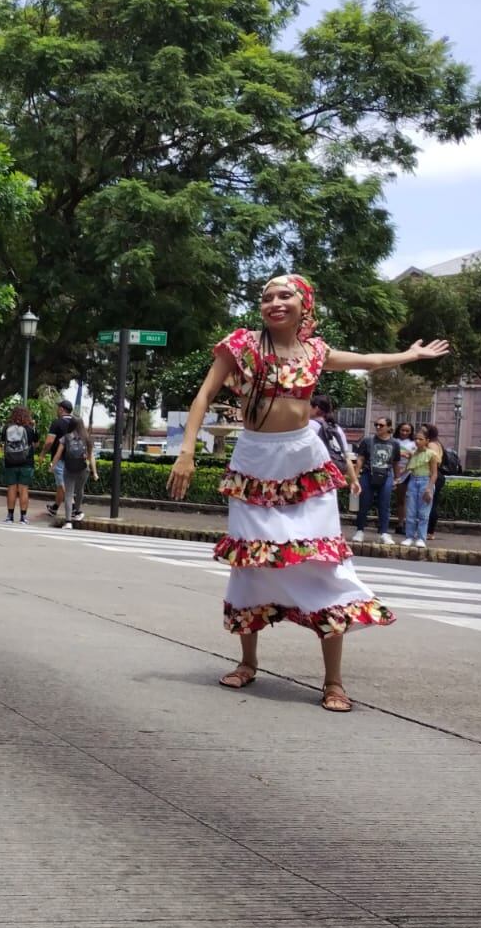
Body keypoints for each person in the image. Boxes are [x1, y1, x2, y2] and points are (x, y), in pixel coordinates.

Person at [169, 272, 448, 712]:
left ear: (304, 305)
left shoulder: (316, 352)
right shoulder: (240, 344)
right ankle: (247, 662)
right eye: (267, 297)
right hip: (253, 462)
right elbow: (203, 396)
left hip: (305, 464)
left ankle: (333, 681)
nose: (275, 302)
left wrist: (409, 355)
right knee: (251, 563)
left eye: (285, 295)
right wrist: (186, 451)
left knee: (324, 564)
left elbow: (370, 360)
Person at [351, 417, 399, 545]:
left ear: (389, 427)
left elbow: (395, 463)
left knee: (384, 505)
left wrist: (397, 478)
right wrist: (355, 478)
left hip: (386, 474)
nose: (378, 427)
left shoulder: (394, 443)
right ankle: (360, 530)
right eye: (376, 424)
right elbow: (360, 459)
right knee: (364, 503)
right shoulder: (368, 441)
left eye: (381, 425)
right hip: (368, 473)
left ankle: (384, 532)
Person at [49, 411, 98, 529]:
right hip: (83, 469)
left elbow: (58, 454)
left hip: (69, 468)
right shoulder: (87, 438)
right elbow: (91, 456)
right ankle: (77, 510)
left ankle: (68, 522)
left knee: (69, 494)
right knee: (80, 490)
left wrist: (52, 466)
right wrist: (95, 472)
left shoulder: (65, 437)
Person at [400, 428, 439, 549]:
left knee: (423, 513)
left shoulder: (431, 454)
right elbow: (407, 469)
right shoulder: (414, 453)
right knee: (411, 511)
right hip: (413, 480)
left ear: (427, 441)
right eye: (416, 438)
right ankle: (409, 536)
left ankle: (421, 538)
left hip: (425, 481)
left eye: (420, 439)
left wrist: (429, 488)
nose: (417, 441)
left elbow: (434, 473)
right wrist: (397, 478)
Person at [0, 405, 38, 523]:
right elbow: (36, 445)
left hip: (10, 462)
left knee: (11, 488)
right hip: (26, 462)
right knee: (23, 489)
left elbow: (3, 444)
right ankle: (23, 517)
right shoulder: (30, 429)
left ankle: (10, 516)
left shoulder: (7, 428)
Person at [44, 399, 76, 520]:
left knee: (63, 484)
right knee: (60, 485)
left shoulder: (57, 423)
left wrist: (42, 453)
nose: (57, 409)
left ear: (62, 409)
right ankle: (55, 508)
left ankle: (73, 508)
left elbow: (49, 442)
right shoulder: (76, 422)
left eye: (58, 408)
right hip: (74, 459)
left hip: (60, 458)